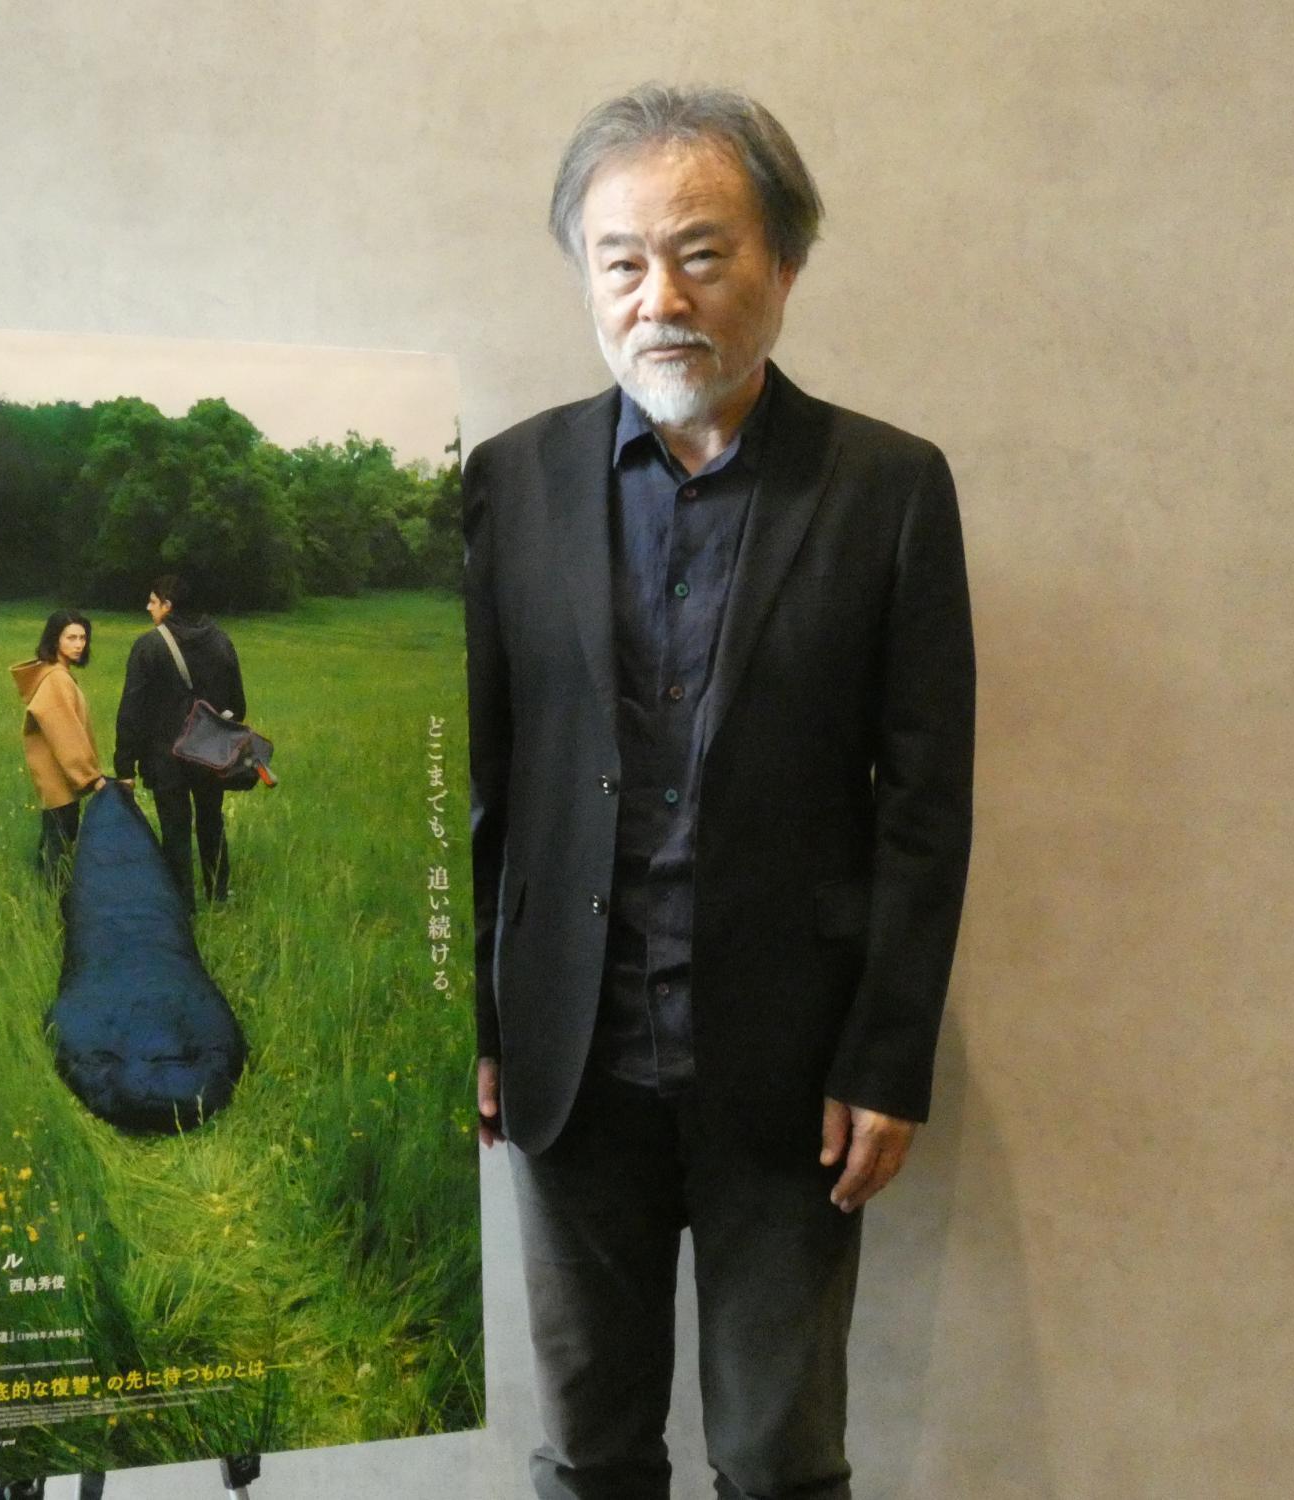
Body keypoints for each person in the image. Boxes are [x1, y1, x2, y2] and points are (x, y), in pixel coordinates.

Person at [463, 85, 975, 1499]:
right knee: (589, 1453)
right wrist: (476, 1021)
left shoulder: (887, 488)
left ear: (784, 264)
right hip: (570, 1061)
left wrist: (887, 1057)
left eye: (700, 253)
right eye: (620, 261)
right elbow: (482, 783)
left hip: (790, 1071)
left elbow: (925, 804)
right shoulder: (508, 483)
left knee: (779, 1459)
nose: (659, 298)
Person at [114, 574, 247, 908]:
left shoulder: (149, 645)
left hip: (165, 757)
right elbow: (238, 705)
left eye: (153, 601)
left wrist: (125, 765)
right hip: (210, 753)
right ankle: (218, 895)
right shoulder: (221, 641)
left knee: (175, 830)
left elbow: (132, 708)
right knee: (211, 821)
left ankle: (181, 905)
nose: (148, 607)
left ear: (168, 606)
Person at [10, 610, 108, 881]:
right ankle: (56, 902)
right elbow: (65, 733)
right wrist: (91, 777)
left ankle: (48, 896)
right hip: (60, 781)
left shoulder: (56, 675)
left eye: (83, 638)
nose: (79, 644)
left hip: (59, 779)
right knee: (59, 852)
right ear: (55, 640)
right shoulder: (56, 679)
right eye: (71, 638)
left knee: (56, 844)